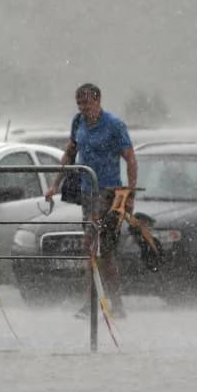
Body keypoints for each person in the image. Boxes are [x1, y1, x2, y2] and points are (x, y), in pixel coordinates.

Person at [44, 83, 138, 319]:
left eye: (87, 103)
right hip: (88, 192)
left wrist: (129, 194)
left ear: (98, 101)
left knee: (101, 250)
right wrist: (55, 184)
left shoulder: (114, 125)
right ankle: (99, 303)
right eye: (79, 104)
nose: (84, 108)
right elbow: (70, 152)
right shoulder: (78, 122)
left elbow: (131, 159)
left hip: (108, 192)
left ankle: (107, 305)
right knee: (94, 250)